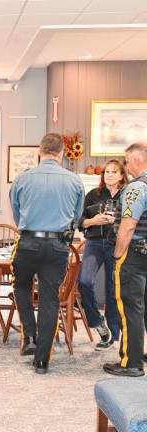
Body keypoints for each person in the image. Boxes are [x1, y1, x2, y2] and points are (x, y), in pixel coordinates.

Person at [9, 133, 85, 374]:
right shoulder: (74, 181)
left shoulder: (22, 178)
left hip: (28, 242)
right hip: (57, 246)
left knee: (21, 286)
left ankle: (29, 336)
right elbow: (77, 215)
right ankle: (42, 360)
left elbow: (16, 213)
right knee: (49, 298)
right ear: (61, 153)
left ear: (40, 152)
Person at [104, 142, 147, 377]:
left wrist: (119, 254)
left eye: (127, 160)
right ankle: (137, 354)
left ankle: (131, 363)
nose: (126, 165)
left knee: (130, 308)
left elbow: (128, 226)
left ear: (136, 161)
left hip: (135, 255)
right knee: (143, 308)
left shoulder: (135, 188)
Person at [78, 159, 127, 350]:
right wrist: (94, 220)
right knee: (85, 281)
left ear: (122, 175)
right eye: (107, 172)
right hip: (95, 243)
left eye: (114, 172)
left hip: (118, 244)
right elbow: (80, 221)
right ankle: (99, 324)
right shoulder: (93, 195)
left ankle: (113, 334)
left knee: (113, 289)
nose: (110, 175)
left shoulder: (127, 195)